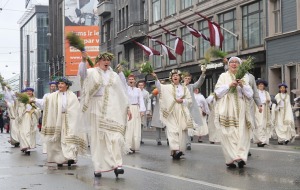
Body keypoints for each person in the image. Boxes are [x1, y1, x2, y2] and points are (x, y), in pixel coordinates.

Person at [78, 52, 131, 178]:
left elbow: (121, 92)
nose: (106, 62)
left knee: (115, 136)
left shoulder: (114, 76)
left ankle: (118, 164)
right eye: (104, 59)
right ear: (98, 61)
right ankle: (98, 167)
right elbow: (82, 74)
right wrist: (84, 59)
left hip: (113, 108)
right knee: (98, 138)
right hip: (96, 107)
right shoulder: (92, 72)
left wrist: (127, 108)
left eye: (108, 60)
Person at [214, 57, 253, 168]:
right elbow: (217, 92)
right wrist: (229, 85)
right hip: (227, 107)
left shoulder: (245, 77)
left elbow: (250, 95)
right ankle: (231, 158)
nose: (234, 64)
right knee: (229, 133)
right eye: (232, 62)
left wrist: (242, 85)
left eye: (236, 62)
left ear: (240, 65)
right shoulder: (223, 76)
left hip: (241, 108)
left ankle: (240, 156)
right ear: (228, 64)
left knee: (241, 133)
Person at [40, 77, 86, 167]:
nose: (60, 85)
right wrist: (33, 100)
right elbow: (44, 103)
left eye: (62, 83)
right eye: (59, 83)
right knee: (58, 139)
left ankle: (70, 157)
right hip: (57, 119)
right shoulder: (52, 96)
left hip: (70, 119)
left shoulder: (72, 95)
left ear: (67, 85)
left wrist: (70, 115)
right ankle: (59, 159)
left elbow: (76, 108)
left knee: (69, 138)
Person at [152, 69, 194, 160]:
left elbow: (190, 101)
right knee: (172, 130)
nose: (175, 76)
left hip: (182, 111)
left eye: (177, 75)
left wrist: (183, 100)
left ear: (180, 77)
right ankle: (175, 149)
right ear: (171, 78)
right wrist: (155, 78)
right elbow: (160, 87)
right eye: (173, 75)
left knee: (182, 131)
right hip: (171, 111)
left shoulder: (184, 88)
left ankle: (177, 151)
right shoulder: (167, 87)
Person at [118, 73, 145, 153]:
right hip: (129, 108)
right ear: (127, 81)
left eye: (132, 79)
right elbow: (122, 81)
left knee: (136, 127)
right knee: (129, 127)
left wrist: (142, 110)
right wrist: (120, 72)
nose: (131, 81)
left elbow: (141, 100)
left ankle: (134, 146)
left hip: (136, 108)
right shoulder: (126, 88)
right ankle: (128, 146)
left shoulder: (138, 90)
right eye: (129, 79)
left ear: (135, 81)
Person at [182, 66, 206, 150]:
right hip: (181, 109)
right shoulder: (180, 86)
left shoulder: (192, 86)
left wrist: (203, 73)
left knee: (189, 126)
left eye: (189, 78)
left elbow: (199, 83)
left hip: (190, 109)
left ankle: (188, 143)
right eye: (186, 78)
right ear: (183, 78)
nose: (187, 80)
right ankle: (181, 141)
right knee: (182, 127)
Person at [35, 81, 58, 153]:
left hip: (56, 115)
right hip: (48, 116)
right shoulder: (46, 95)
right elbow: (43, 104)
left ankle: (56, 148)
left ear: (56, 87)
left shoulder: (58, 94)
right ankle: (47, 149)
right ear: (50, 87)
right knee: (48, 132)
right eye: (52, 86)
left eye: (54, 86)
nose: (53, 87)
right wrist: (35, 100)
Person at [18, 87, 41, 155]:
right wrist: (25, 110)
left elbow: (39, 109)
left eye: (30, 91)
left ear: (32, 92)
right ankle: (25, 146)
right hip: (25, 117)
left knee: (31, 132)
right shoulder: (22, 100)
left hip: (33, 117)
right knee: (25, 131)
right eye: (27, 91)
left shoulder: (35, 100)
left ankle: (29, 145)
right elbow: (19, 109)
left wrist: (34, 110)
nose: (29, 92)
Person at [253, 79, 272, 147]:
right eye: (259, 84)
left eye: (262, 84)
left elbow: (270, 104)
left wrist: (269, 101)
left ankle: (263, 141)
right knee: (259, 124)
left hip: (265, 110)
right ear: (257, 85)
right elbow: (254, 101)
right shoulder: (255, 92)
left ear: (264, 86)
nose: (261, 85)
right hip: (258, 109)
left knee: (264, 125)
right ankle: (259, 140)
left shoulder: (266, 93)